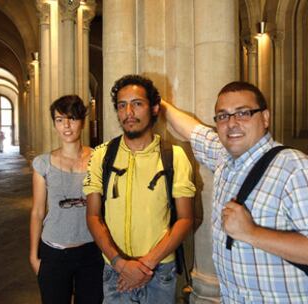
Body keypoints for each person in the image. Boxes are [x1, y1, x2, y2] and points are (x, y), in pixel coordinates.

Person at [161, 81, 308, 303]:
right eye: (222, 116)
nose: (231, 123)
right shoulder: (225, 159)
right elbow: (193, 131)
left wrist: (251, 232)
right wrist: (159, 103)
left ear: (265, 118)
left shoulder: (296, 169)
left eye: (243, 113)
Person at [83, 75, 196, 304]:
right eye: (122, 105)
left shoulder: (174, 157)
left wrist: (145, 266)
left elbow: (185, 219)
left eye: (137, 103)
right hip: (115, 271)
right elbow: (93, 216)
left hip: (159, 271)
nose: (129, 113)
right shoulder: (102, 155)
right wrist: (120, 263)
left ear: (154, 108)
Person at [30, 95, 104, 304]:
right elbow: (37, 212)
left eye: (72, 118)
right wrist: (33, 256)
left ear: (82, 121)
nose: (66, 126)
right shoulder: (42, 163)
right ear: (54, 123)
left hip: (91, 251)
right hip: (54, 252)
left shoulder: (99, 158)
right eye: (60, 119)